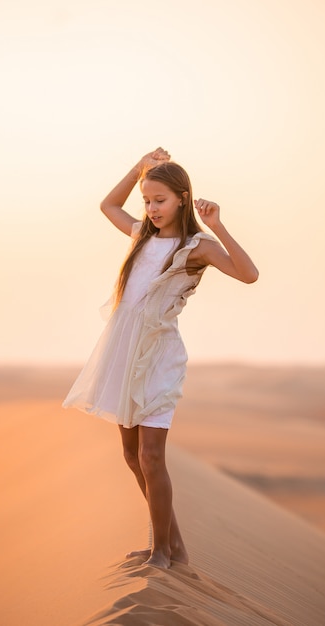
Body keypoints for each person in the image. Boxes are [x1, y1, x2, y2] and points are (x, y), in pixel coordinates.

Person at [63, 147, 258, 569]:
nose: (151, 209)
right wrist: (139, 168)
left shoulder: (196, 246)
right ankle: (173, 547)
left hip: (157, 357)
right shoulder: (141, 237)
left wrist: (218, 226)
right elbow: (108, 205)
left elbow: (249, 274)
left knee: (152, 456)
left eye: (160, 200)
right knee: (132, 456)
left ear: (183, 198)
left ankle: (161, 553)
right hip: (121, 351)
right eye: (147, 201)